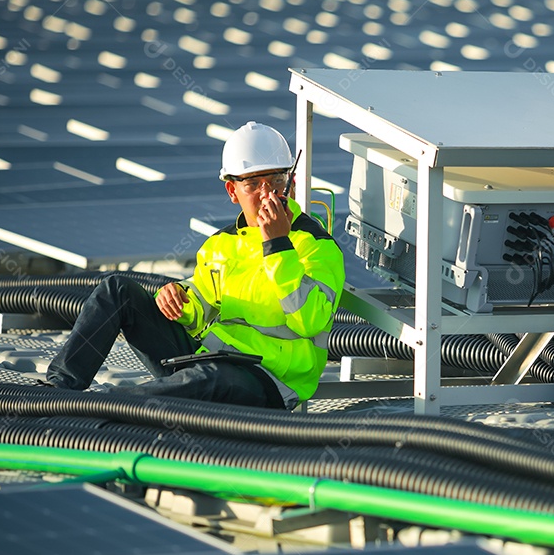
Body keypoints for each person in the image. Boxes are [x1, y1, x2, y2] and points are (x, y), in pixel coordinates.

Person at [46, 121, 345, 409]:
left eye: (276, 181)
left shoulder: (317, 246)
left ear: (290, 184)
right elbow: (201, 305)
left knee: (209, 378)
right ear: (232, 191)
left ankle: (101, 406)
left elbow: (311, 322)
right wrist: (178, 297)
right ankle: (59, 389)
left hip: (268, 381)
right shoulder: (222, 243)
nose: (267, 194)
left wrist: (277, 246)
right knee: (116, 290)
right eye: (253, 184)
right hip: (211, 360)